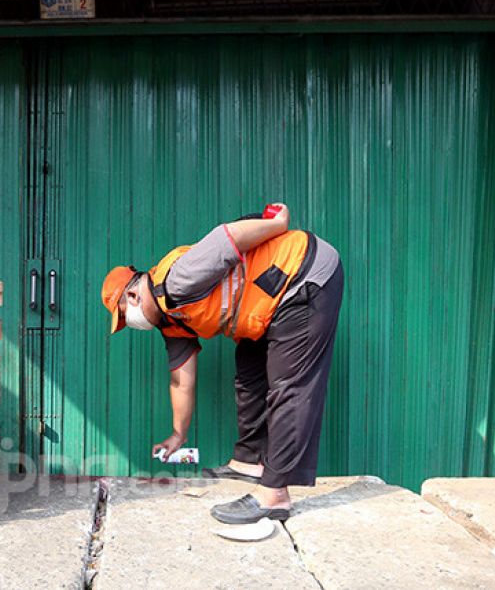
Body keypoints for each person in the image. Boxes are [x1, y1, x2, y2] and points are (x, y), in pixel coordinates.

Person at [100, 204, 343, 524]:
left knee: (290, 387)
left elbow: (226, 238)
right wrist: (178, 434)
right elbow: (181, 382)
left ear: (132, 297)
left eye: (124, 317)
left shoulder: (176, 280)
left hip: (301, 273)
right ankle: (249, 461)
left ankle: (275, 494)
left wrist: (278, 224)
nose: (130, 323)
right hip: (266, 304)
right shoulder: (170, 321)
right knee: (249, 375)